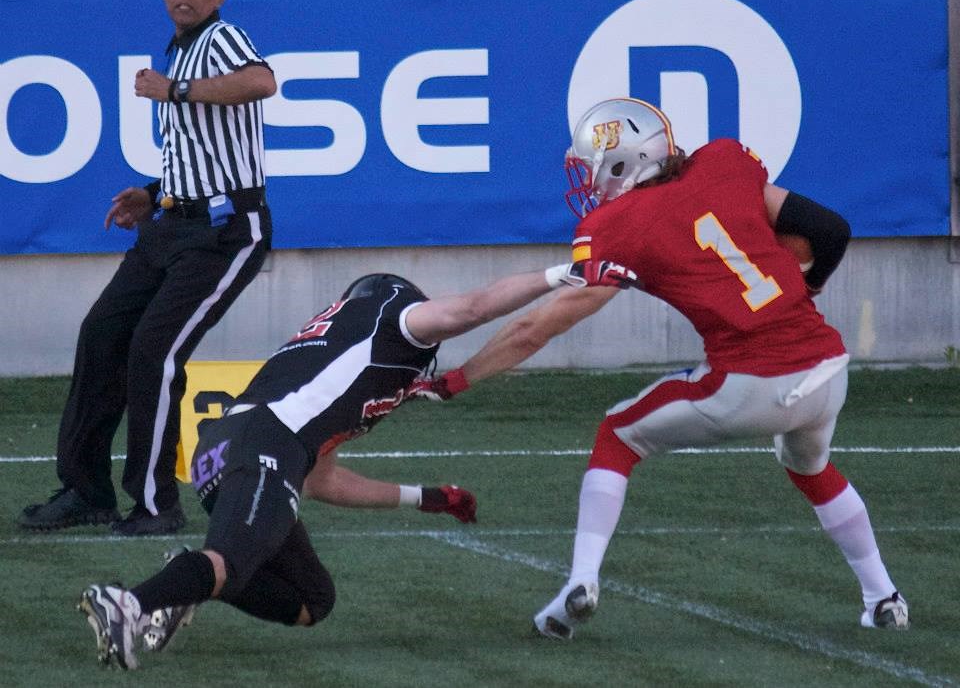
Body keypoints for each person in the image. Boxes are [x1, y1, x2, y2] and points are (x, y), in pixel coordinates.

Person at [409, 98, 909, 637]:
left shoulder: (618, 225)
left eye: (593, 166)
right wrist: (806, 287)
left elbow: (538, 328)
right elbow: (828, 229)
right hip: (827, 368)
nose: (588, 181)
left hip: (749, 382)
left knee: (617, 436)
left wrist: (459, 378)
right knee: (810, 468)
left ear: (623, 162)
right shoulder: (724, 162)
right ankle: (884, 597)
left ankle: (580, 581)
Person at [76, 260, 638, 669]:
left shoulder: (338, 345)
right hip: (267, 442)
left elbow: (321, 479)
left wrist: (424, 496)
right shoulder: (393, 316)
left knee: (311, 600)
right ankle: (130, 602)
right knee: (231, 560)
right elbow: (474, 307)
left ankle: (185, 579)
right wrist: (565, 273)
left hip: (237, 447)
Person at [19, 0, 276, 536]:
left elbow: (262, 81)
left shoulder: (220, 37)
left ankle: (157, 504)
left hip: (225, 230)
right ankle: (86, 491)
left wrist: (175, 90)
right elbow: (203, 149)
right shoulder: (180, 49)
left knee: (153, 352)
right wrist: (155, 192)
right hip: (173, 223)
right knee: (102, 334)